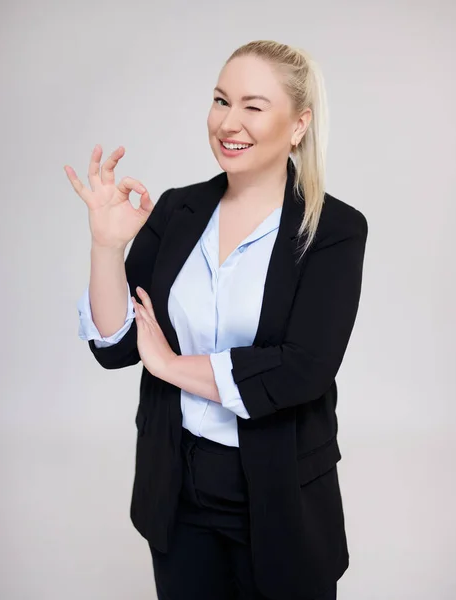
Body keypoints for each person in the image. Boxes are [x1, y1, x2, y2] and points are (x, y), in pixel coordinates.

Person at [65, 40, 368, 600]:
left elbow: (302, 370)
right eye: (221, 100)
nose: (229, 122)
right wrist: (106, 247)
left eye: (253, 106)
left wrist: (173, 366)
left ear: (298, 124)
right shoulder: (178, 211)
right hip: (176, 485)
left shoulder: (334, 230)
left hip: (279, 494)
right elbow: (116, 346)